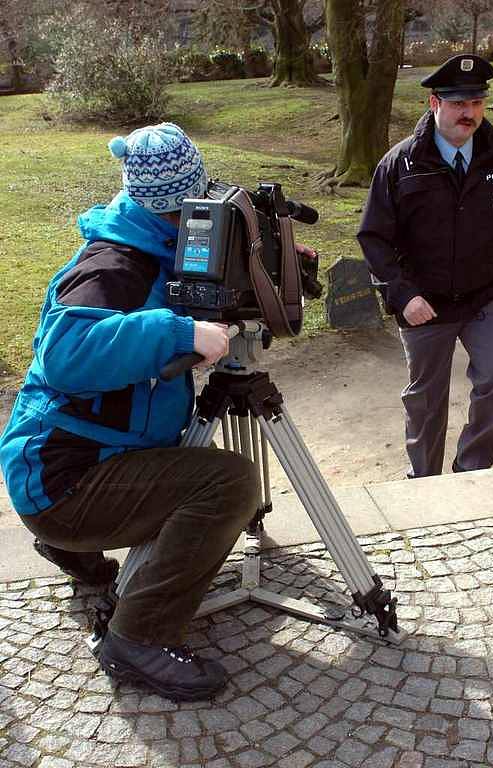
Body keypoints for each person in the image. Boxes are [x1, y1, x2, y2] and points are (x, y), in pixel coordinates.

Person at [0, 123, 261, 701]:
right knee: (229, 485)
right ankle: (136, 637)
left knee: (188, 470)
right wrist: (178, 331)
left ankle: (75, 549)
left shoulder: (151, 240)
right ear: (173, 206)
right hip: (61, 478)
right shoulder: (115, 265)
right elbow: (66, 356)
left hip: (68, 464)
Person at [358, 54, 493, 479]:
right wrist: (401, 293)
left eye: (476, 103)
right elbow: (373, 237)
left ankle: (471, 471)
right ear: (435, 104)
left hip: (484, 294)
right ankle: (425, 482)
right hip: (423, 302)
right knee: (426, 400)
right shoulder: (400, 164)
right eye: (458, 103)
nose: (469, 113)